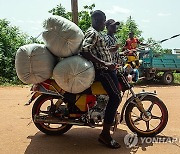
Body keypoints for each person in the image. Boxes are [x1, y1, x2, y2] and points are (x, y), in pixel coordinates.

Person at [81, 10, 121, 149]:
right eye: (104, 21)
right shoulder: (93, 33)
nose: (105, 23)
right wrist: (105, 64)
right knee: (116, 97)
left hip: (108, 69)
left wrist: (112, 55)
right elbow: (84, 51)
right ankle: (105, 134)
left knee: (115, 96)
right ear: (99, 20)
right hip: (103, 72)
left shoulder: (98, 34)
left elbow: (100, 51)